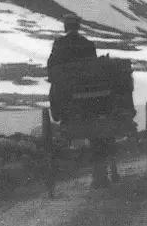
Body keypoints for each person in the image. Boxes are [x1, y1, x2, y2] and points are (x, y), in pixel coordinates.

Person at [47, 14, 113, 188]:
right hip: (92, 97)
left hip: (68, 98)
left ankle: (58, 115)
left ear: (65, 26)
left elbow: (51, 68)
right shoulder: (88, 44)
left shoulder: (59, 44)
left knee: (54, 88)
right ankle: (101, 174)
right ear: (78, 26)